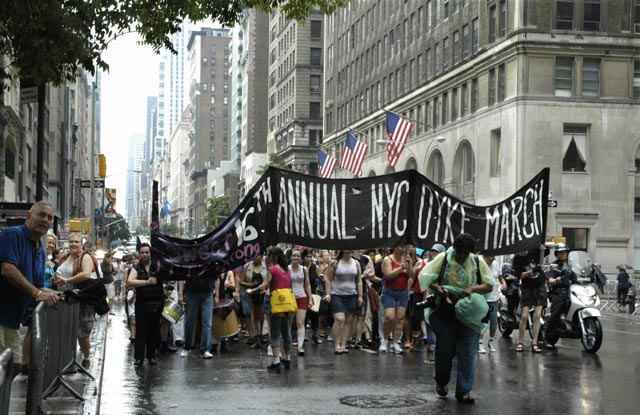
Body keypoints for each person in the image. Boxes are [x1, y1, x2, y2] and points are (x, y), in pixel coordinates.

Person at [418, 233, 495, 404]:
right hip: (446, 312)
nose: (461, 257)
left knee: (467, 352)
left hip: (470, 313)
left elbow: (489, 285)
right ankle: (441, 381)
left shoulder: (477, 261)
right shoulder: (443, 259)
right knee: (445, 351)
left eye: (465, 254)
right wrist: (438, 288)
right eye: (459, 253)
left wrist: (473, 289)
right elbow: (426, 278)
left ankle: (464, 391)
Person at [0, 201, 61, 377]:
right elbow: (7, 269)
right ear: (29, 216)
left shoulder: (39, 249)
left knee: (15, 366)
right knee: (6, 367)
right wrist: (38, 294)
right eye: (41, 215)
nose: (45, 220)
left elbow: (38, 285)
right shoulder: (14, 235)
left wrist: (60, 295)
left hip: (11, 320)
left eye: (49, 217)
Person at [51, 232, 101, 369]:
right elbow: (59, 273)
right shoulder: (65, 257)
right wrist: (55, 278)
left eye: (76, 242)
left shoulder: (85, 257)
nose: (73, 244)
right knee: (65, 332)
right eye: (71, 241)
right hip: (65, 299)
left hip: (82, 300)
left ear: (81, 244)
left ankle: (86, 357)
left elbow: (85, 274)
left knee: (82, 334)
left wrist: (67, 280)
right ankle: (68, 362)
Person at [250, 247, 295, 373]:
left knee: (275, 332)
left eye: (269, 255)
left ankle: (276, 361)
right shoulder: (287, 270)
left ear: (275, 257)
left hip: (276, 304)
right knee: (286, 332)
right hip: (288, 304)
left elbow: (264, 285)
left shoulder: (272, 269)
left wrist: (252, 290)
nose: (266, 258)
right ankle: (287, 358)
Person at [126, 243, 163, 367]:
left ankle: (151, 356)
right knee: (141, 330)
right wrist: (147, 282)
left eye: (147, 252)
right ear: (139, 254)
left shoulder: (157, 267)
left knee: (154, 330)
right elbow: (130, 281)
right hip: (142, 304)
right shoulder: (136, 268)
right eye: (142, 252)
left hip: (157, 302)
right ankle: (139, 358)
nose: (144, 254)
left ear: (151, 253)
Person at [324, 250, 363, 354]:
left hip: (352, 294)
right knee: (339, 319)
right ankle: (337, 344)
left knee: (348, 321)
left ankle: (343, 344)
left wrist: (360, 296)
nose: (350, 250)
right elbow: (328, 279)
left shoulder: (356, 263)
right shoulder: (335, 263)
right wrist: (328, 293)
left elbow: (359, 281)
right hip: (337, 294)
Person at [512, 246, 548, 353]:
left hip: (539, 286)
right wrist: (533, 271)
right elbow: (520, 276)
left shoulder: (534, 251)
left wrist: (543, 247)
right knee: (524, 316)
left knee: (537, 316)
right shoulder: (517, 259)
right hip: (527, 287)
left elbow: (546, 250)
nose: (522, 251)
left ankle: (535, 343)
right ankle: (520, 342)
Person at [379, 246, 414, 354]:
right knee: (389, 317)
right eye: (401, 247)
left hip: (402, 292)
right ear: (395, 248)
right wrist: (400, 268)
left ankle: (395, 343)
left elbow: (411, 275)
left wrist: (409, 265)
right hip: (389, 292)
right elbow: (388, 275)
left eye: (405, 248)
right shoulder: (387, 259)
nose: (404, 250)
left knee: (400, 319)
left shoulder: (406, 259)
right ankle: (384, 340)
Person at [414, 244, 445, 362]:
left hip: (443, 299)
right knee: (430, 326)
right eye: (432, 251)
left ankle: (439, 351)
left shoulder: (444, 266)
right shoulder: (428, 265)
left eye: (436, 252)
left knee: (438, 326)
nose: (433, 253)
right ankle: (433, 352)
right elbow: (422, 279)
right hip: (431, 298)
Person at [179, 273, 215, 359]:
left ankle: (205, 350)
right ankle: (187, 347)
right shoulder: (189, 259)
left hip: (207, 292)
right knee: (190, 322)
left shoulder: (210, 260)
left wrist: (216, 294)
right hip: (191, 292)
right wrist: (180, 294)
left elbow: (216, 275)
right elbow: (181, 276)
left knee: (207, 323)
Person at [235, 255, 266, 348]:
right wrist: (251, 285)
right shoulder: (247, 266)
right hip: (250, 295)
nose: (256, 258)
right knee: (252, 315)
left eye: (258, 256)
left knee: (263, 316)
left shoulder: (267, 266)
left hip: (263, 295)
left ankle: (263, 335)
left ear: (261, 257)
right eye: (254, 256)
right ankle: (255, 337)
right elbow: (240, 280)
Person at [545, 243, 571, 350]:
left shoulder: (573, 264)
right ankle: (547, 339)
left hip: (573, 290)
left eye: (564, 252)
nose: (563, 254)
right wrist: (555, 280)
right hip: (559, 292)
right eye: (560, 252)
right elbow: (550, 279)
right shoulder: (554, 266)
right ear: (557, 254)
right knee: (556, 313)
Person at [289, 249, 313, 356]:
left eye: (298, 256)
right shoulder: (287, 269)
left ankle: (300, 346)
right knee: (288, 323)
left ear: (300, 258)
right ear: (291, 257)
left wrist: (310, 298)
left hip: (302, 297)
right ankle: (287, 344)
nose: (295, 258)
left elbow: (307, 284)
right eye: (294, 256)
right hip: (289, 298)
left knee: (300, 323)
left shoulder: (304, 269)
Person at [478, 254, 501, 354]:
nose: (491, 259)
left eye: (493, 257)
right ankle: (480, 342)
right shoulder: (480, 264)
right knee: (483, 322)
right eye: (489, 257)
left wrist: (504, 284)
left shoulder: (496, 264)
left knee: (493, 321)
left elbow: (500, 277)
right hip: (482, 297)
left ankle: (491, 341)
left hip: (494, 298)